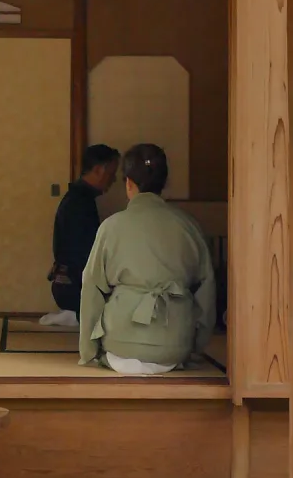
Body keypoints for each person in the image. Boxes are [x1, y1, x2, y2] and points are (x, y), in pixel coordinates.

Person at [79, 143, 216, 376]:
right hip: (173, 349)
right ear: (164, 183)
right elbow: (207, 289)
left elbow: (91, 289)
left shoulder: (111, 227)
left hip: (121, 345)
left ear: (128, 183)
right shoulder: (188, 226)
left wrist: (88, 351)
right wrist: (195, 345)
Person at [40, 144, 120, 328]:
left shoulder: (78, 198)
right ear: (99, 170)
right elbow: (83, 253)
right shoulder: (79, 203)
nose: (113, 179)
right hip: (73, 287)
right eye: (112, 172)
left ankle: (75, 312)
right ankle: (76, 314)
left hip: (66, 285)